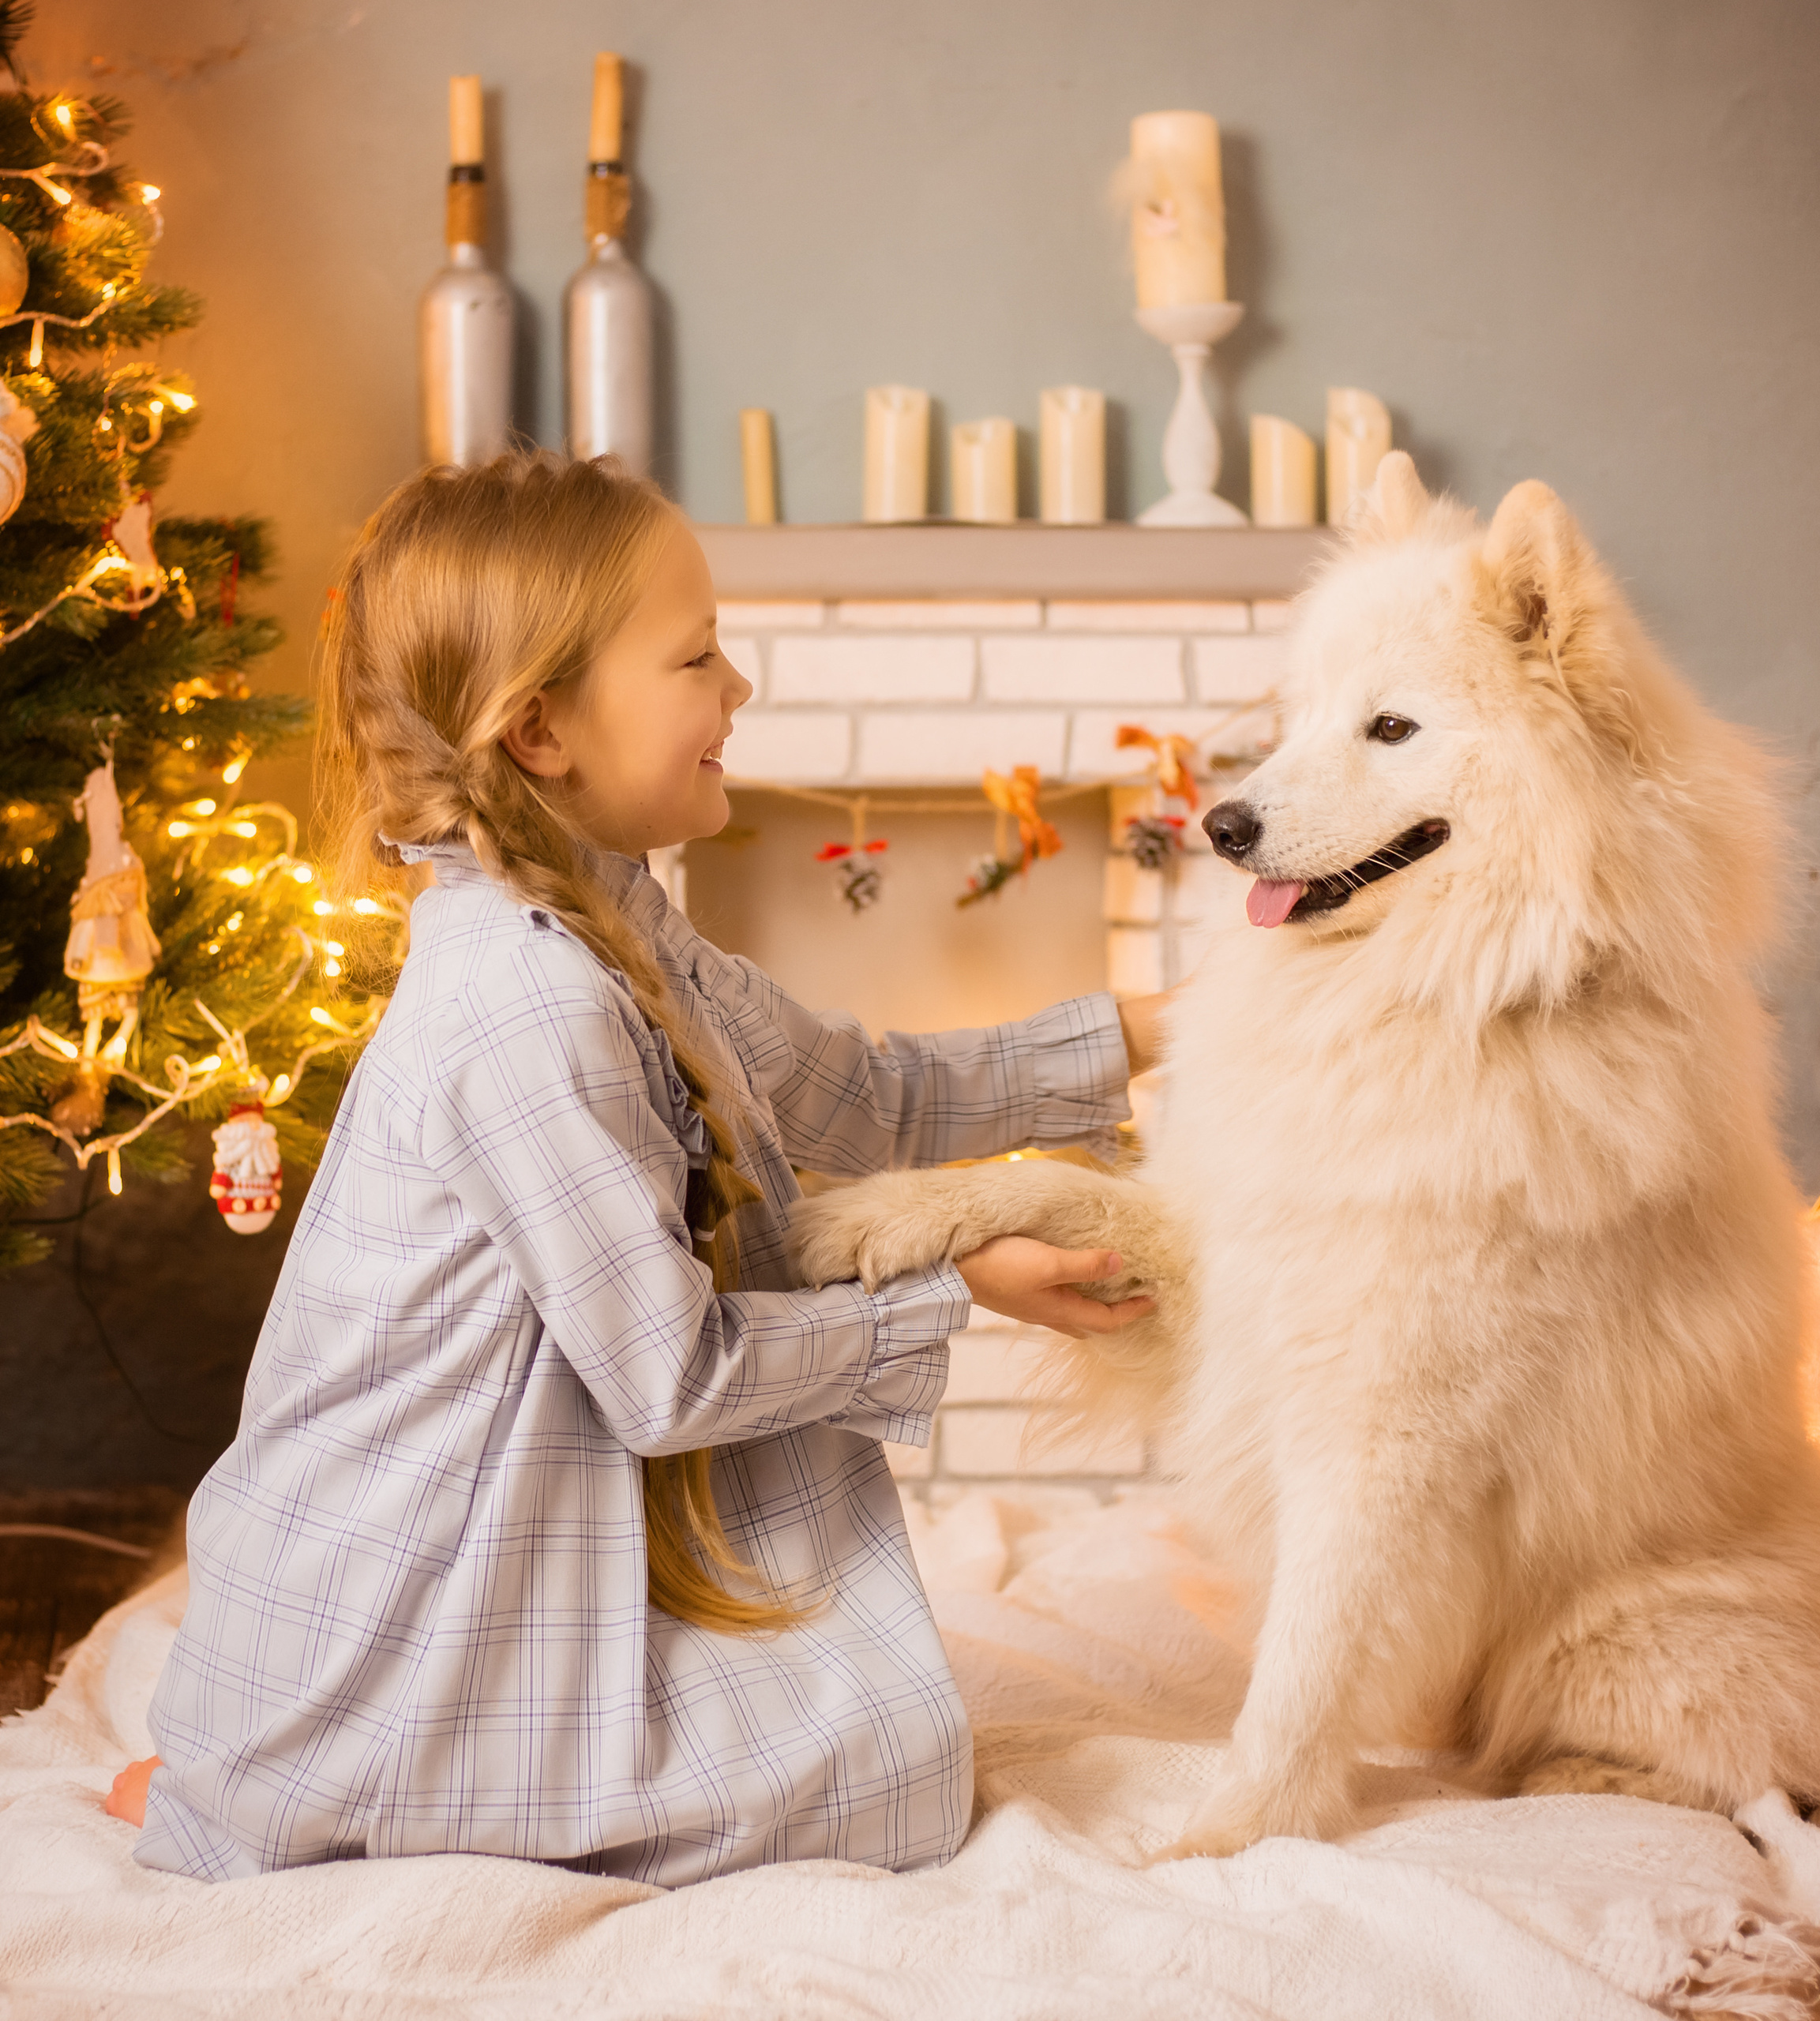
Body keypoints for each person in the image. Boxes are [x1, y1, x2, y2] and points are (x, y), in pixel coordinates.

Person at [106, 451, 1162, 1887]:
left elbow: (868, 1091)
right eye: (699, 657)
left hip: (480, 1553)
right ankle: (293, 1777)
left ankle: (284, 1770)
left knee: (880, 1751)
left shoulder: (621, 929)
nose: (742, 690)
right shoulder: (527, 1003)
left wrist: (1157, 1032)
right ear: (542, 729)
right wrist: (952, 1283)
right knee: (889, 1782)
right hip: (404, 1593)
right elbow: (672, 1380)